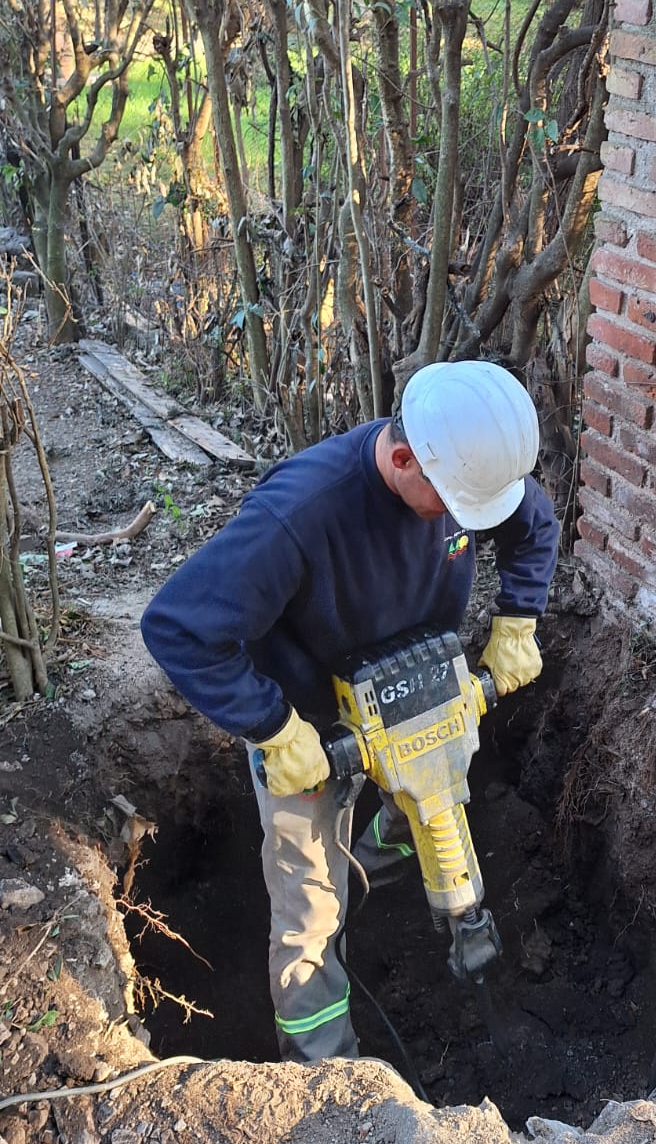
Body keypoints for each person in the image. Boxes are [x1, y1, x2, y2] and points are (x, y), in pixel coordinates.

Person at [141, 361, 559, 1063]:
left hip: (423, 702)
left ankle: (367, 877)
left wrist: (518, 619)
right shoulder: (301, 514)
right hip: (313, 733)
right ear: (403, 459)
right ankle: (329, 1083)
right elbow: (177, 627)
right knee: (310, 922)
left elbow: (533, 523)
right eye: (454, 509)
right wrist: (273, 728)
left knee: (428, 811)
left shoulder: (463, 475)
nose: (465, 521)